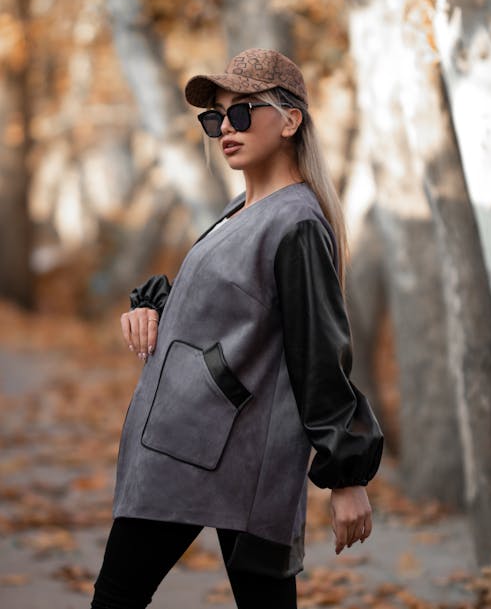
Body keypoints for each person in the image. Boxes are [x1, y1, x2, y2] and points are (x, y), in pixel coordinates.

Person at [91, 48, 384, 609]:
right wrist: (152, 307)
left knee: (116, 598)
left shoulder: (295, 221)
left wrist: (347, 475)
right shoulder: (243, 207)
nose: (225, 126)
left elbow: (319, 352)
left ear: (291, 120)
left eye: (243, 111)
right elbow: (225, 312)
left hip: (233, 456)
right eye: (216, 117)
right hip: (183, 444)